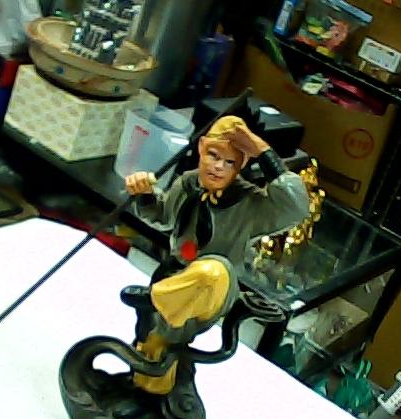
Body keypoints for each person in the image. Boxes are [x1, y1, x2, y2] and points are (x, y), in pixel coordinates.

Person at [122, 115, 309, 396]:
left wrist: (263, 152)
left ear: (241, 165)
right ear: (201, 148)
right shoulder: (188, 184)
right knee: (156, 344)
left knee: (213, 269)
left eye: (230, 162)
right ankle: (147, 383)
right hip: (175, 276)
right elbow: (162, 215)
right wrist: (145, 194)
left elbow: (296, 206)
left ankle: (155, 300)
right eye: (213, 155)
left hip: (214, 290)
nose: (219, 167)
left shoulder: (250, 202)